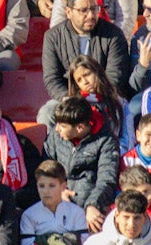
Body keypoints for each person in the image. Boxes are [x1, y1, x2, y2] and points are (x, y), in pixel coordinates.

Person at [41, 0, 132, 125]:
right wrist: (70, 99)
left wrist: (96, 97)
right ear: (69, 12)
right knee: (46, 114)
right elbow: (52, 79)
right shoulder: (53, 37)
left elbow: (116, 75)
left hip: (105, 97)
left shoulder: (113, 34)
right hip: (70, 97)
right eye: (83, 10)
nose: (90, 15)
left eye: (94, 9)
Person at [44, 96, 119, 235]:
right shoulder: (56, 135)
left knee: (95, 224)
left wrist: (92, 205)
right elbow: (46, 168)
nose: (57, 129)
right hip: (57, 195)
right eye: (57, 124)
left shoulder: (107, 141)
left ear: (80, 128)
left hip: (88, 199)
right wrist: (58, 191)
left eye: (63, 126)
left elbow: (107, 178)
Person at [20, 160, 87, 245]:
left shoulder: (77, 213)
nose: (46, 191)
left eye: (52, 186)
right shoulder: (29, 215)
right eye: (41, 186)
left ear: (63, 186)